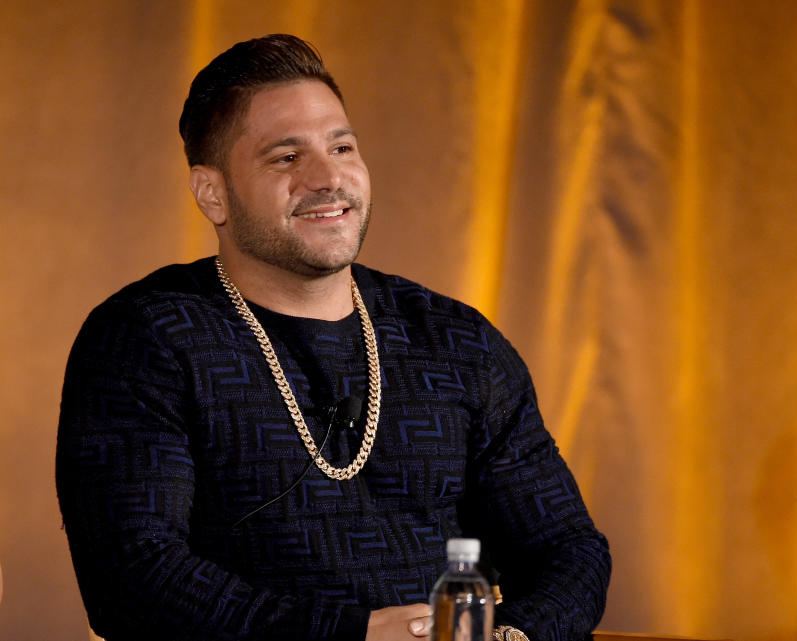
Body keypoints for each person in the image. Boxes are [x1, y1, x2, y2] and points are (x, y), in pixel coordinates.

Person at [56, 34, 611, 641]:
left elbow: (567, 548)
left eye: (341, 146)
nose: (327, 178)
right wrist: (355, 635)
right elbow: (132, 577)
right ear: (212, 193)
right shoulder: (147, 339)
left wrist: (512, 636)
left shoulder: (457, 342)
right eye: (286, 158)